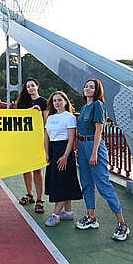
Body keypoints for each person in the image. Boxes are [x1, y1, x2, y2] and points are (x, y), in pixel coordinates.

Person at [76, 78, 130, 241]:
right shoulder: (85, 107)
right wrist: (80, 149)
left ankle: (122, 224)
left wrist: (93, 153)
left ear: (97, 90)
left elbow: (99, 131)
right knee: (86, 183)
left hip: (94, 147)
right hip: (83, 144)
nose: (87, 89)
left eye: (91, 87)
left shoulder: (98, 105)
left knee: (103, 186)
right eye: (86, 86)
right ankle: (91, 217)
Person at [43, 91, 82, 227]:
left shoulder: (69, 117)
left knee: (62, 182)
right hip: (54, 151)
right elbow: (47, 137)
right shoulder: (51, 117)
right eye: (54, 101)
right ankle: (68, 212)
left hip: (64, 150)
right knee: (59, 181)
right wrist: (47, 153)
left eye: (60, 100)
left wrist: (65, 155)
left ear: (65, 101)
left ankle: (55, 215)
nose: (57, 103)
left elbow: (71, 139)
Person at [16, 77, 48, 213]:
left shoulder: (44, 102)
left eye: (32, 85)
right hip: (25, 139)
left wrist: (38, 112)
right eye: (28, 86)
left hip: (38, 140)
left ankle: (40, 199)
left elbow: (46, 122)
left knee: (37, 169)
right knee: (26, 168)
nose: (30, 88)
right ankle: (30, 194)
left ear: (37, 86)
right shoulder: (22, 102)